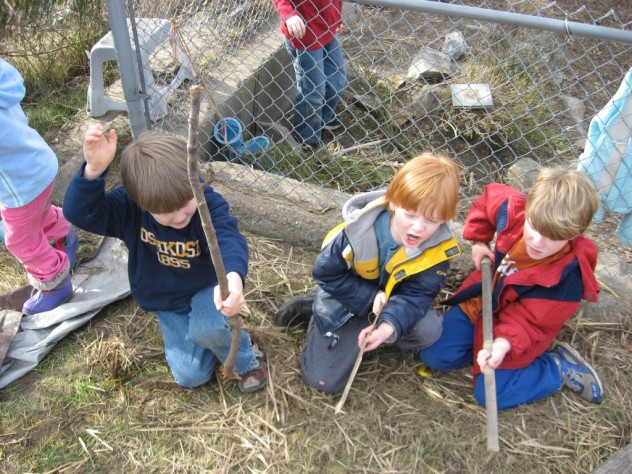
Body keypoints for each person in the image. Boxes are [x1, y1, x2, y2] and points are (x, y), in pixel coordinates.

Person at [62, 124, 266, 393]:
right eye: (166, 213)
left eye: (186, 204)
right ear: (141, 203)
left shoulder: (207, 204)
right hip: (165, 299)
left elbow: (229, 239)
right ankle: (210, 338)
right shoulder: (129, 208)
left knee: (207, 327)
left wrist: (232, 280)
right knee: (190, 376)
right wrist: (94, 171)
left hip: (207, 289)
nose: (181, 216)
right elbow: (80, 213)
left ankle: (245, 358)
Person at [418, 168, 603, 411]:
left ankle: (557, 367)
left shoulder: (567, 276)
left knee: (492, 395)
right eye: (534, 228)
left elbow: (531, 322)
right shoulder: (513, 210)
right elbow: (487, 202)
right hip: (482, 303)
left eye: (553, 237)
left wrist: (503, 344)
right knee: (433, 355)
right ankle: (480, 352)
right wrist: (479, 240)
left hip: (517, 330)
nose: (538, 242)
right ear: (529, 210)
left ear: (575, 234)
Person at [277, 153, 462, 393]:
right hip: (346, 299)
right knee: (322, 380)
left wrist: (388, 325)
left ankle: (371, 333)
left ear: (445, 219)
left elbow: (418, 295)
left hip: (389, 306)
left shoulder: (438, 250)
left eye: (431, 220)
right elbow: (325, 273)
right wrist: (369, 298)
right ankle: (314, 306)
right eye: (410, 214)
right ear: (394, 202)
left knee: (428, 330)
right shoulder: (356, 231)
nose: (418, 227)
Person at [0, 58, 79, 315]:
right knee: (40, 214)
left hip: (19, 187)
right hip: (39, 165)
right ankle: (64, 234)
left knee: (20, 240)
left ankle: (54, 283)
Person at [272, 0, 347, 151]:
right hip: (305, 35)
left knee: (337, 80)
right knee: (313, 92)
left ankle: (323, 118)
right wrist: (289, 15)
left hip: (328, 26)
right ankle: (305, 136)